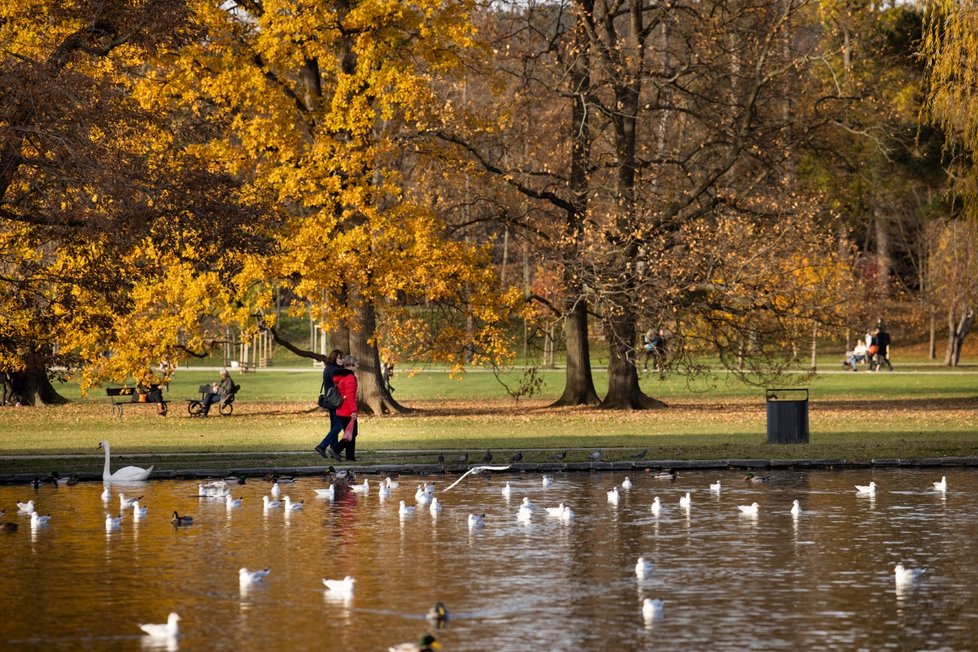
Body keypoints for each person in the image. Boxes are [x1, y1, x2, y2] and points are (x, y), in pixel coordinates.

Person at [314, 350, 353, 461]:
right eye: (339, 358)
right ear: (334, 358)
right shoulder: (335, 369)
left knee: (334, 426)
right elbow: (342, 383)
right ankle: (322, 446)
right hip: (335, 402)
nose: (342, 360)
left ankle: (334, 451)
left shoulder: (329, 367)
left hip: (330, 401)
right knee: (339, 426)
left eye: (342, 358)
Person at [333, 355, 360, 462]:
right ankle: (336, 449)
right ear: (351, 364)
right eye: (356, 364)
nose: (358, 366)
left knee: (350, 434)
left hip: (341, 409)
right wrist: (353, 411)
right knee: (352, 433)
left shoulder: (342, 376)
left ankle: (350, 457)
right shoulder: (350, 378)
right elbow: (350, 396)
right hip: (347, 410)